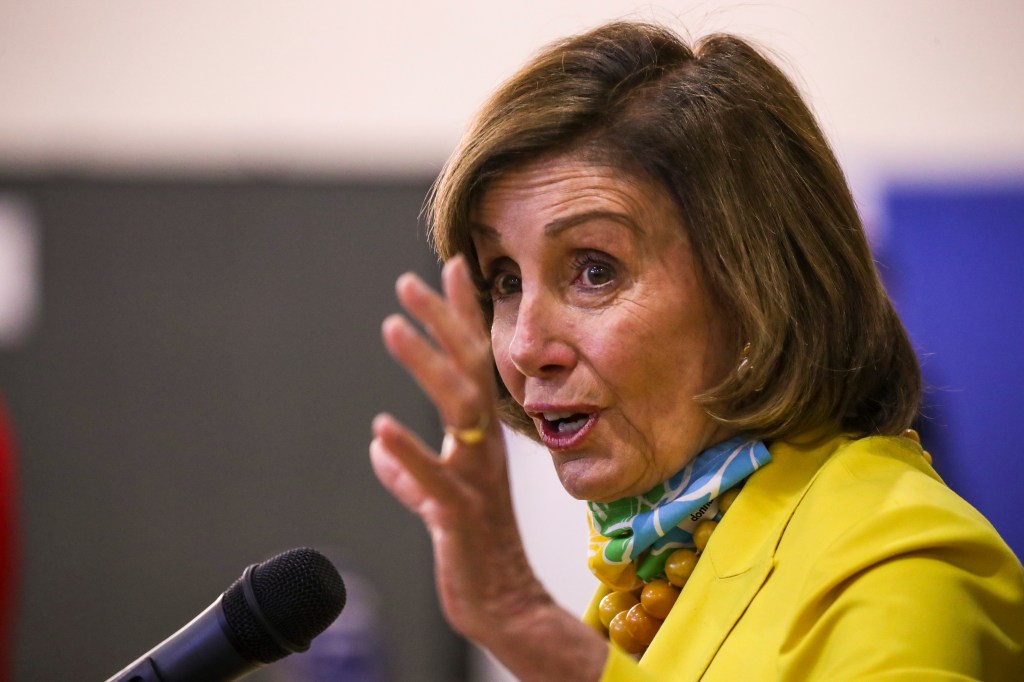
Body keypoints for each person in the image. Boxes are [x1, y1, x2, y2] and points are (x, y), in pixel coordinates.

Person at [368, 21, 1024, 680]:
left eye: (595, 270)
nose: (525, 346)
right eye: (506, 280)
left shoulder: (900, 561)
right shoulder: (654, 572)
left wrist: (523, 622)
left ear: (753, 291)